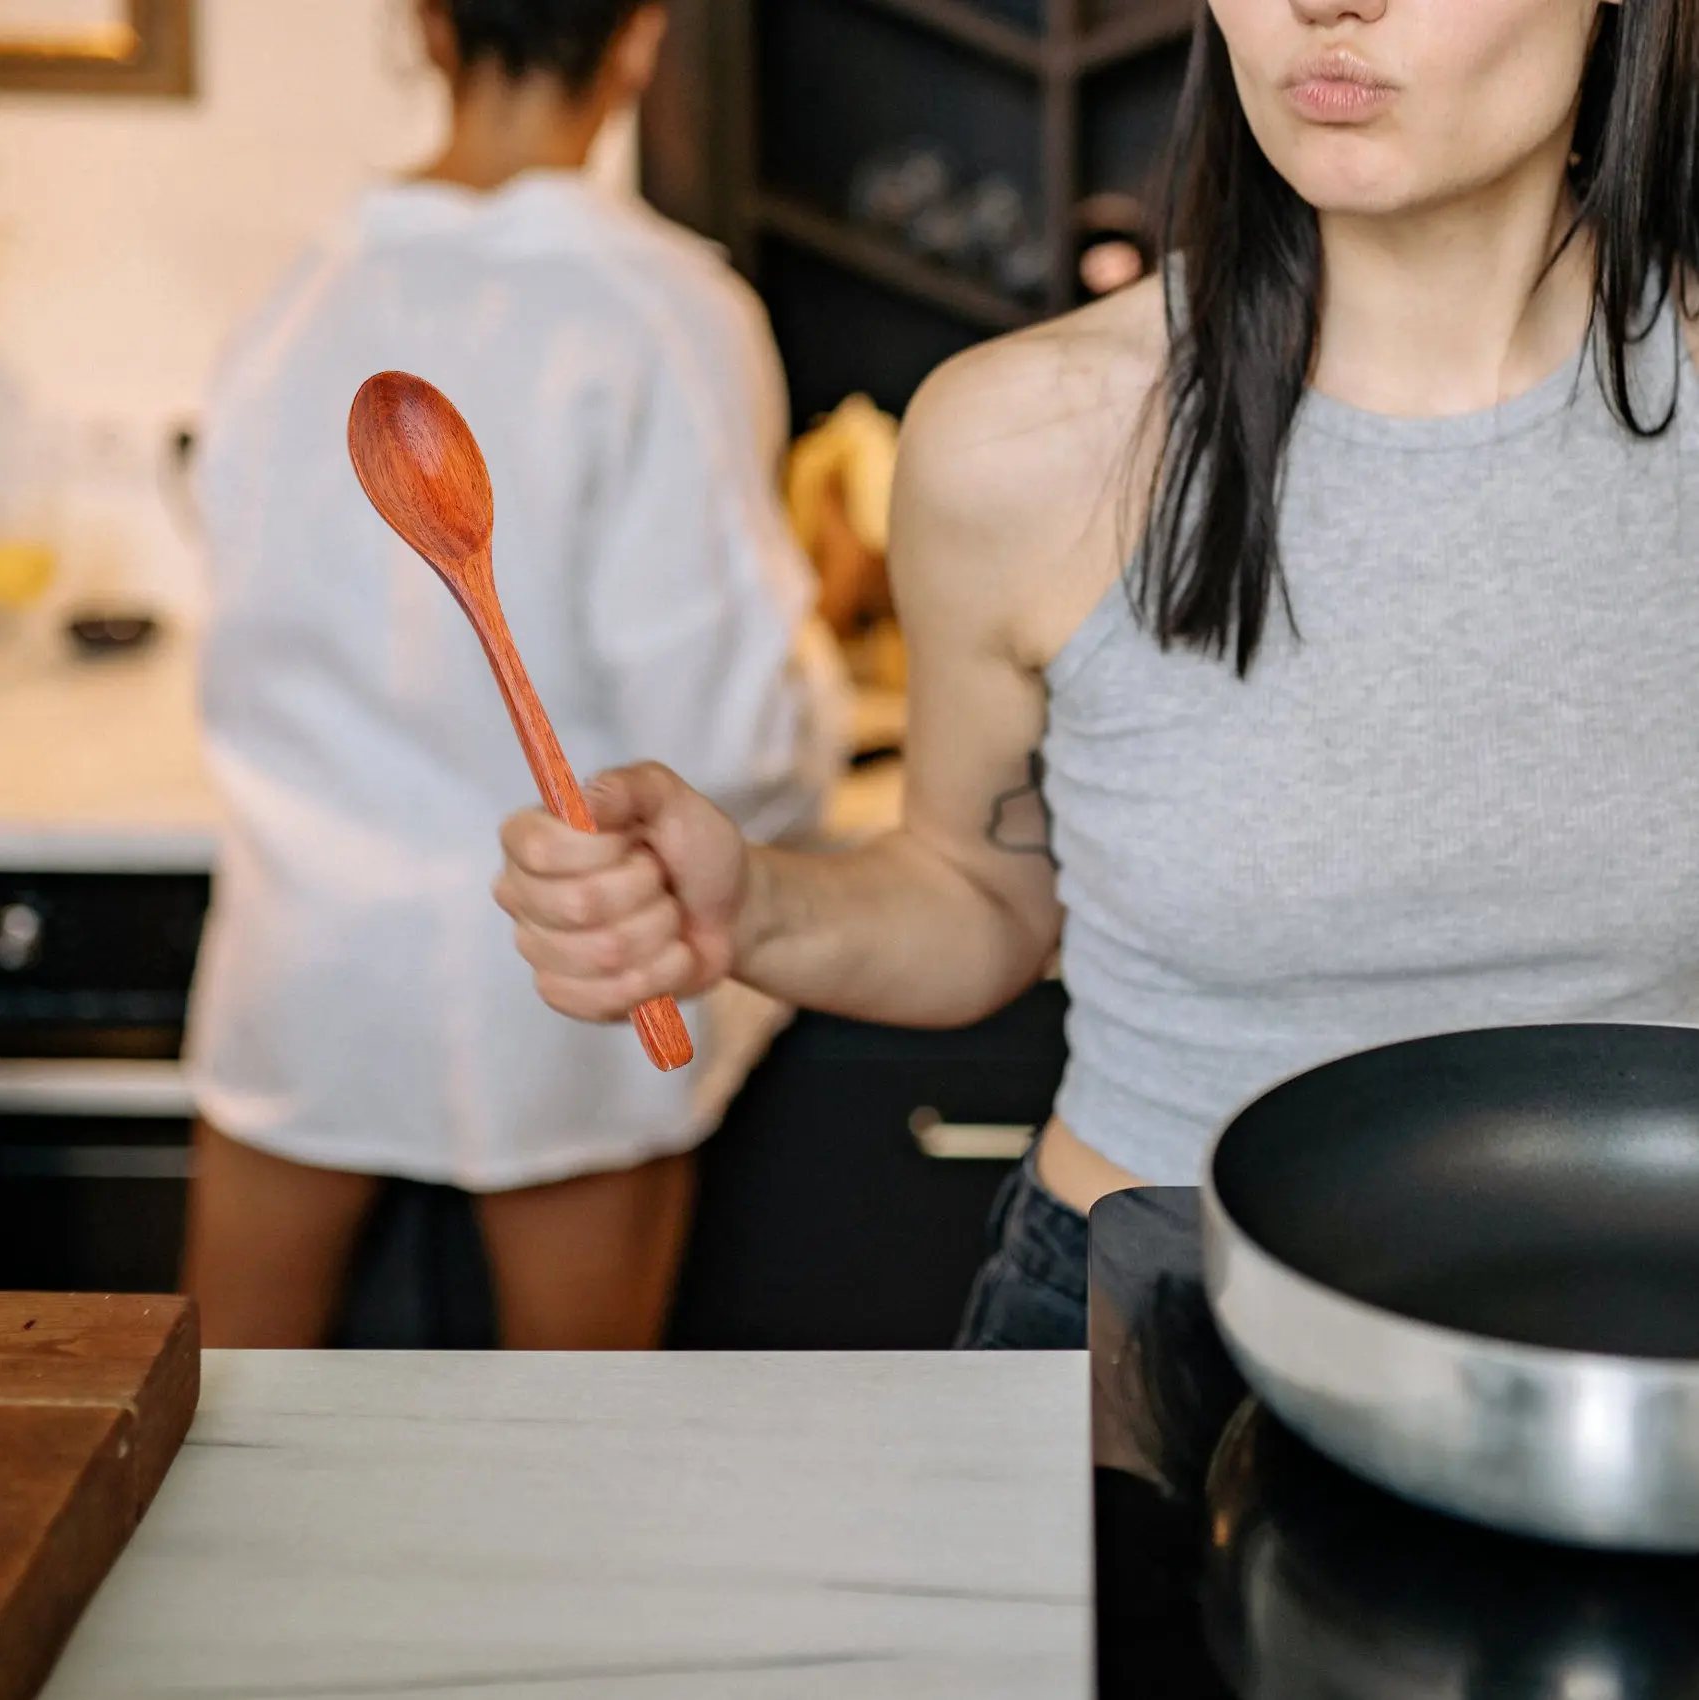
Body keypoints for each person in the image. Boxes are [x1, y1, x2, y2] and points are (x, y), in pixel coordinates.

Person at [494, 0, 1699, 1348]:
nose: (1324, 4)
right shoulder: (1025, 443)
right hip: (1142, 1325)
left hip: (1637, 1333)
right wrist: (750, 912)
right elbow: (977, 897)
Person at [184, 0, 847, 1349]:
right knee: (583, 1457)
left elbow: (237, 589)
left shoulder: (292, 293)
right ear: (640, 40)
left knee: (216, 1458)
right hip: (566, 970)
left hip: (305, 953)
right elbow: (726, 731)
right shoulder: (663, 309)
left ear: (424, 29)